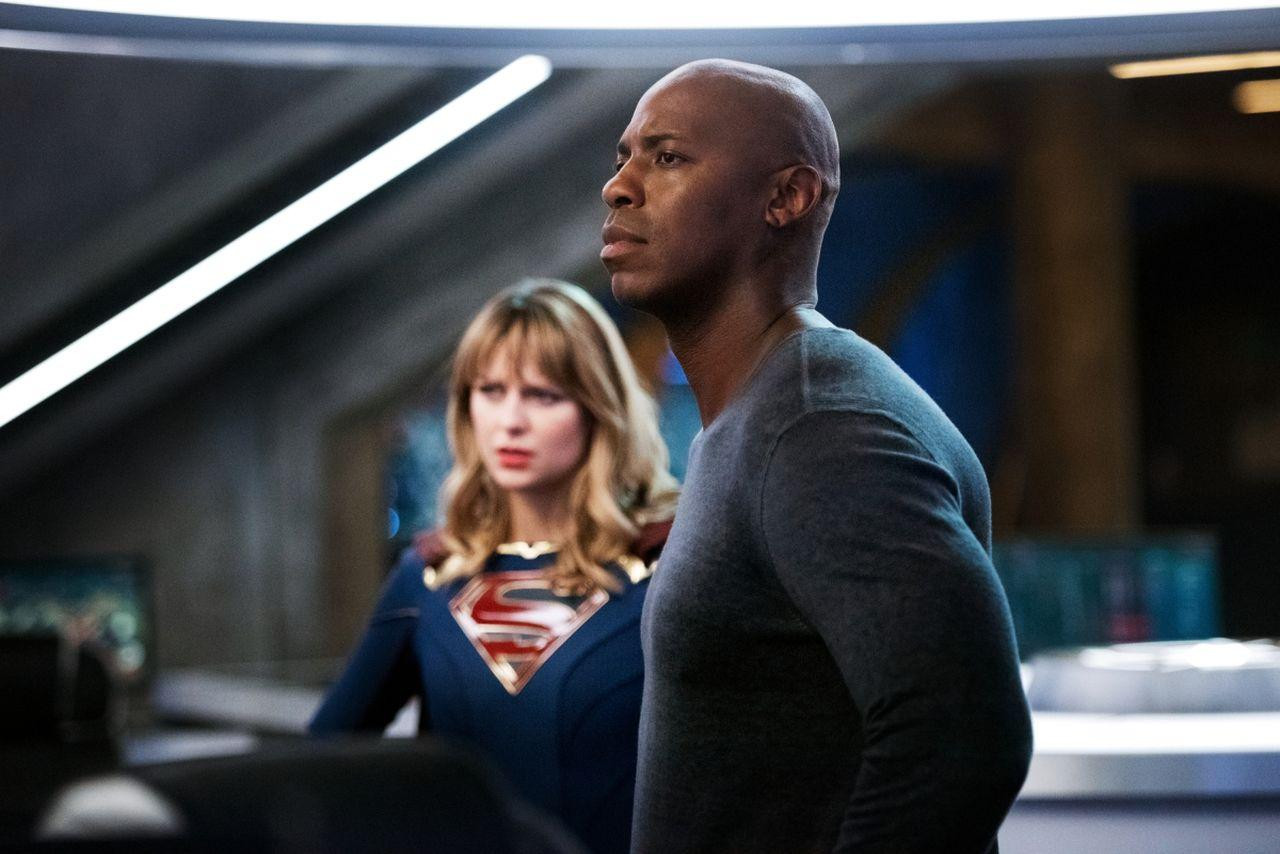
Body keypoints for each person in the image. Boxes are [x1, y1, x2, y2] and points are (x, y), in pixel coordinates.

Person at [601, 60, 1032, 853]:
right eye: (624, 157)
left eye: (666, 157)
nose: (619, 187)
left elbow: (963, 737)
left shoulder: (819, 426)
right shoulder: (765, 415)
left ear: (787, 198)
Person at [311, 279, 678, 854]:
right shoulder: (429, 575)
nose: (510, 421)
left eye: (543, 395)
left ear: (597, 408)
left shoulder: (665, 566)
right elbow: (321, 761)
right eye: (490, 390)